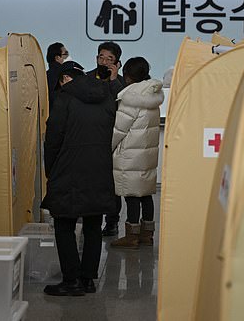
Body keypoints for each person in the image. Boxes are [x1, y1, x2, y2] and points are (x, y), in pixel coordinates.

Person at [41, 61, 117, 296]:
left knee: (64, 224)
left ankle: (71, 280)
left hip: (69, 168)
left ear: (64, 79)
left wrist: (51, 171)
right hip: (99, 167)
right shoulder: (106, 96)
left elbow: (53, 138)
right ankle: (87, 279)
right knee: (93, 224)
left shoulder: (64, 99)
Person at [109, 57, 164, 249]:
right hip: (146, 155)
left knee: (131, 195)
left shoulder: (130, 97)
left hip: (130, 155)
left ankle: (131, 237)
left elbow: (119, 129)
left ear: (129, 76)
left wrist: (107, 148)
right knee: (146, 194)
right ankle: (147, 235)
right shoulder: (152, 96)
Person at [87, 41, 125, 236]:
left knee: (111, 182)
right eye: (101, 57)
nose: (104, 61)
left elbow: (123, 102)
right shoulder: (86, 77)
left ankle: (112, 222)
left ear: (117, 62)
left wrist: (113, 79)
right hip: (90, 135)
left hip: (112, 137)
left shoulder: (121, 83)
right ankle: (90, 220)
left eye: (109, 59)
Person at [46, 42, 70, 110]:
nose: (68, 57)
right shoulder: (65, 75)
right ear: (57, 58)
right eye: (65, 54)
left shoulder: (44, 76)